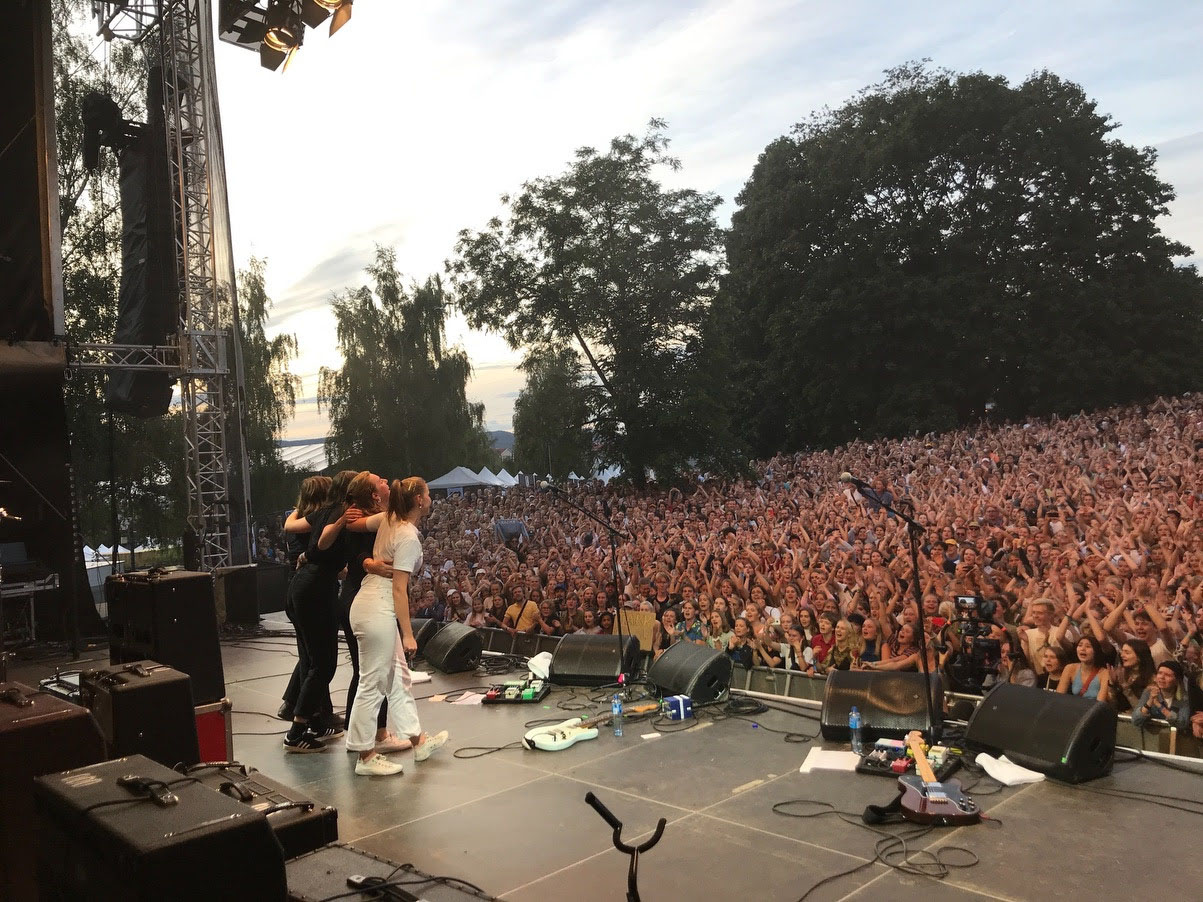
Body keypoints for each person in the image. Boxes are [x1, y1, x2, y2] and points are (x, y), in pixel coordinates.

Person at [344, 477, 449, 776]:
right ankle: (365, 755)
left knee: (399, 678)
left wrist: (348, 518)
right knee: (373, 683)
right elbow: (399, 590)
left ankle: (418, 741)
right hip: (378, 607)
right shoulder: (406, 535)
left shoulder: (388, 519)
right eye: (428, 494)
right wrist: (408, 634)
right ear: (419, 500)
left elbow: (355, 526)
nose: (430, 498)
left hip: (372, 604)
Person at [281, 469, 356, 750]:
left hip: (302, 588)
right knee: (322, 665)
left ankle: (308, 719)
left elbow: (294, 529)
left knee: (312, 661)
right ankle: (296, 731)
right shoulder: (337, 515)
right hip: (315, 592)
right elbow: (323, 543)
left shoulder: (322, 512)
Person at [1131, 660, 1191, 730]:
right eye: (1159, 673)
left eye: (1167, 675)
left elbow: (1182, 723)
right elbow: (1135, 720)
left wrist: (1159, 706)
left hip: (1177, 738)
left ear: (1177, 680)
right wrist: (1150, 702)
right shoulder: (1148, 692)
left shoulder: (1184, 697)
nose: (1162, 677)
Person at [1057, 636, 1111, 703]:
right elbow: (1059, 696)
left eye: (1088, 646)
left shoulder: (1104, 673)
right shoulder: (1070, 668)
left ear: (1096, 651)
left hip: (1094, 710)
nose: (1083, 649)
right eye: (1080, 645)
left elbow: (1100, 703)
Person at [1110, 640, 1156, 713]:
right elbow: (1113, 705)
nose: (1122, 655)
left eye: (1127, 653)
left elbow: (1140, 711)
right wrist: (1113, 685)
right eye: (1122, 652)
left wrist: (1125, 687)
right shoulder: (1122, 674)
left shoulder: (1151, 679)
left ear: (1139, 657)